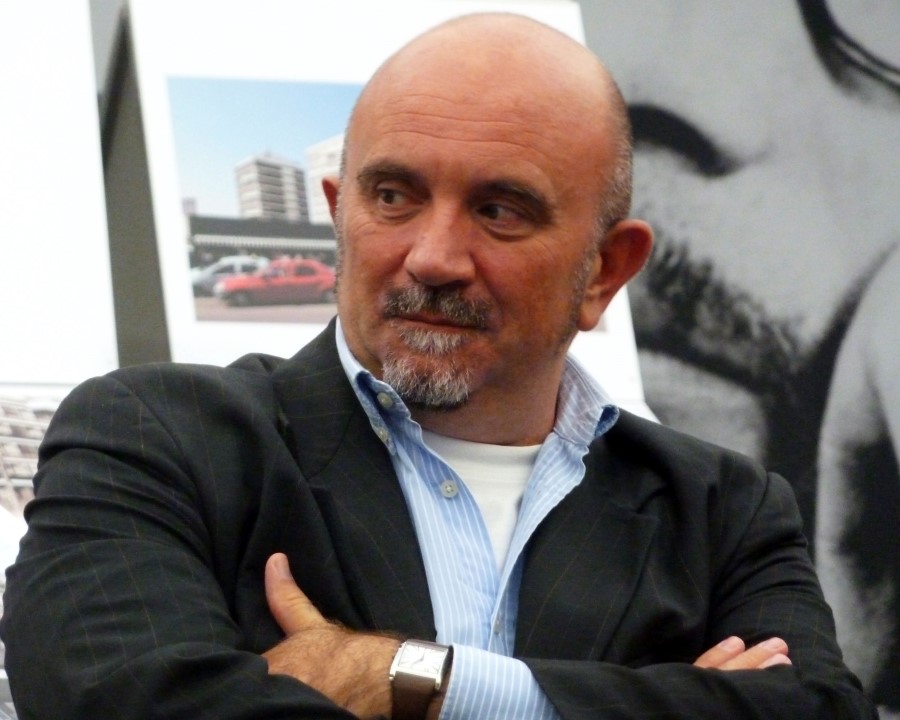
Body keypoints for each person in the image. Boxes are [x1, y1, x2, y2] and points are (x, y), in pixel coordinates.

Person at [0, 12, 875, 720]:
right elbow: (118, 700)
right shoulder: (159, 442)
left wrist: (415, 680)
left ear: (605, 271)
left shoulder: (723, 511)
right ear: (338, 215)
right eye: (393, 197)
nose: (432, 257)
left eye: (500, 210)